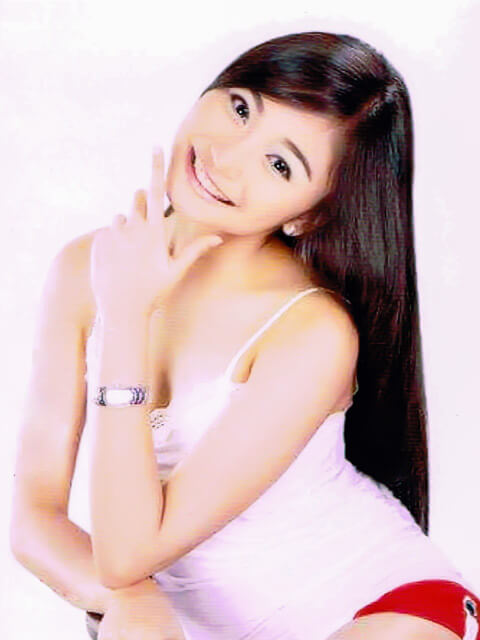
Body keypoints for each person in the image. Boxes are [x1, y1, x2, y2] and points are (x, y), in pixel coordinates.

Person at [10, 31, 480, 640]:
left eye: (280, 164)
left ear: (308, 214)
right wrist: (133, 601)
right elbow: (34, 517)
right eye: (240, 109)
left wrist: (125, 317)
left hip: (379, 609)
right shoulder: (85, 267)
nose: (225, 158)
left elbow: (125, 553)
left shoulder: (312, 332)